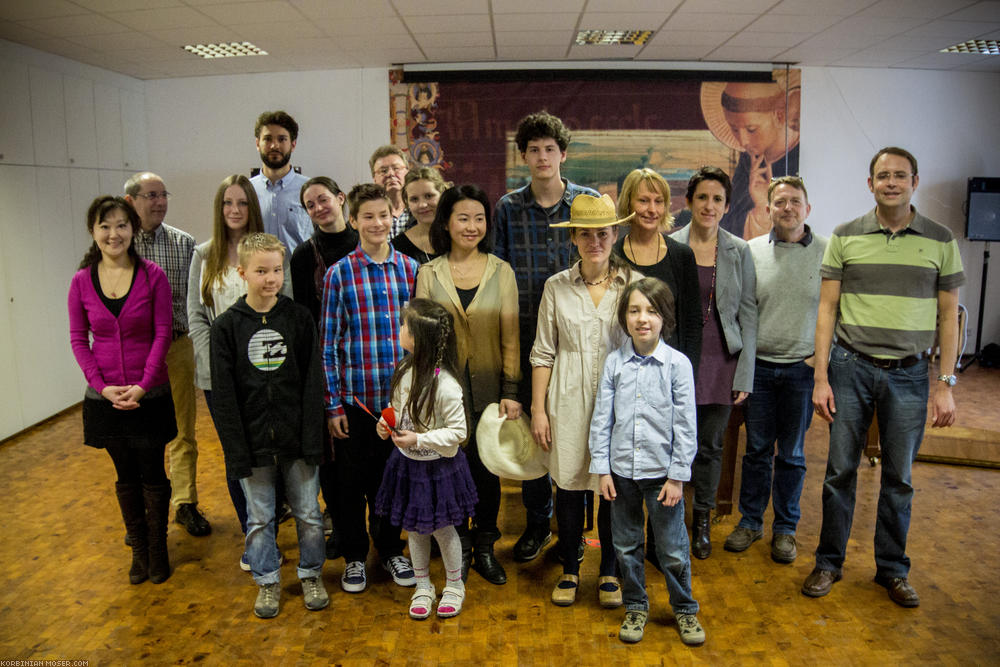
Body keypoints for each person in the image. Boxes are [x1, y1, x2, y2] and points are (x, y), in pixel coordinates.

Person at [803, 147, 964, 608]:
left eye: (899, 175)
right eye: (882, 175)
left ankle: (892, 570)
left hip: (911, 375)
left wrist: (945, 383)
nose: (890, 182)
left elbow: (949, 318)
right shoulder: (846, 235)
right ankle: (828, 562)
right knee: (839, 473)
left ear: (915, 180)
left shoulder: (940, 239)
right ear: (869, 183)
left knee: (900, 478)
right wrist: (820, 377)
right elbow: (827, 309)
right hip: (850, 368)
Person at [493, 110, 599, 563]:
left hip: (579, 340)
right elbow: (498, 273)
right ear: (523, 157)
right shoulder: (507, 208)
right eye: (533, 149)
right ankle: (539, 522)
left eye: (549, 149)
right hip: (525, 336)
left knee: (582, 426)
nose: (541, 156)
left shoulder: (587, 201)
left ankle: (577, 526)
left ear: (563, 154)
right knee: (536, 433)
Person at [209, 233, 328, 619]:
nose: (270, 278)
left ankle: (311, 573)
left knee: (309, 515)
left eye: (276, 270)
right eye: (261, 271)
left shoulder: (298, 319)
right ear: (242, 272)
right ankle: (267, 582)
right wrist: (236, 451)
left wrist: (314, 439)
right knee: (259, 519)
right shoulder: (226, 328)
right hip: (254, 444)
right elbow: (225, 398)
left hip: (297, 441)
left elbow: (313, 384)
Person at [530, 193, 634, 608]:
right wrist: (539, 409)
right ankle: (570, 569)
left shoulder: (634, 285)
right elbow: (542, 353)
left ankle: (609, 569)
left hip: (620, 401)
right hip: (568, 398)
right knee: (570, 485)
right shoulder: (556, 287)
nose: (595, 241)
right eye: (586, 233)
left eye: (603, 233)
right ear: (573, 237)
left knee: (611, 487)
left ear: (615, 235)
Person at [589, 277, 704, 646]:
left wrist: (677, 476)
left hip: (662, 476)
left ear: (664, 317)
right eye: (635, 310)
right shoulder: (614, 364)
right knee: (625, 546)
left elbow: (686, 425)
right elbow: (602, 418)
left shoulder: (677, 365)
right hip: (621, 474)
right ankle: (636, 605)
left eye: (652, 311)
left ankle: (685, 609)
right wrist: (602, 468)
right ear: (624, 317)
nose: (643, 319)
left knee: (671, 549)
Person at [68, 196, 177, 585]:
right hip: (105, 397)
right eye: (105, 226)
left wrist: (144, 385)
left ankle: (159, 548)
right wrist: (103, 386)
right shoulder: (82, 281)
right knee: (124, 474)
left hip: (150, 394)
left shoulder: (153, 276)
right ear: (93, 232)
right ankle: (140, 551)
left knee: (152, 472)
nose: (114, 234)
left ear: (133, 230)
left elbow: (164, 333)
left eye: (121, 225)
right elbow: (79, 339)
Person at [416, 184, 520, 585]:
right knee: (451, 471)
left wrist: (511, 392)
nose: (472, 226)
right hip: (444, 394)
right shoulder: (429, 273)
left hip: (491, 391)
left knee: (486, 471)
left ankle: (485, 547)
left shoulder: (501, 271)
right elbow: (423, 342)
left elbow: (511, 338)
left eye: (479, 218)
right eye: (463, 218)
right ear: (446, 222)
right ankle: (457, 542)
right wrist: (426, 393)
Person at [187, 175, 291, 569]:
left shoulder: (270, 253)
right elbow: (195, 316)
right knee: (239, 455)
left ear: (253, 207)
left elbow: (288, 307)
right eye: (228, 203)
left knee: (274, 453)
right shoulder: (204, 254)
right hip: (223, 378)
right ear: (220, 208)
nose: (235, 210)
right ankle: (256, 540)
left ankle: (272, 532)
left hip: (269, 374)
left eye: (243, 203)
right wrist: (213, 363)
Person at [321, 183, 419, 593]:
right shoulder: (339, 274)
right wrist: (333, 405)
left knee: (393, 481)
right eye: (368, 217)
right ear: (354, 220)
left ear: (392, 218)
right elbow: (329, 343)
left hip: (398, 403)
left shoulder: (411, 271)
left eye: (384, 216)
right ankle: (355, 557)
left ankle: (391, 548)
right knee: (350, 486)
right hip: (356, 402)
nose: (377, 224)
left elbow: (421, 340)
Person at [724, 176, 827, 563]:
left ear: (807, 208)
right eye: (780, 202)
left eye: (795, 201)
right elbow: (739, 312)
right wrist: (743, 370)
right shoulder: (750, 252)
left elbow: (836, 311)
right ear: (768, 209)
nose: (787, 208)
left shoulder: (827, 252)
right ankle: (750, 522)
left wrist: (820, 361)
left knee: (793, 455)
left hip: (802, 371)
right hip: (761, 370)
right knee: (757, 452)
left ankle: (785, 529)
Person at [671, 166, 757, 559]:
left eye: (717, 199)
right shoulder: (669, 246)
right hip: (675, 363)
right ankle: (667, 521)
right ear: (689, 202)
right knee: (671, 445)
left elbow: (749, 314)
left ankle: (701, 520)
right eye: (702, 197)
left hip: (722, 363)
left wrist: (746, 372)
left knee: (709, 447)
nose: (709, 205)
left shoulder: (739, 251)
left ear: (726, 206)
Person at [374, 299, 478, 619]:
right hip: (408, 465)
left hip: (440, 469)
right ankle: (423, 585)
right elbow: (398, 410)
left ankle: (454, 585)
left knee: (444, 530)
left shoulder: (445, 384)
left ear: (418, 337)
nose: (400, 329)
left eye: (405, 326)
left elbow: (458, 432)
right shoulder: (404, 369)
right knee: (415, 529)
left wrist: (419, 438)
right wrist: (386, 424)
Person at [125, 172, 210, 538]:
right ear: (130, 201)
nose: (159, 202)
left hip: (176, 346)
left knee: (181, 427)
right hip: (133, 352)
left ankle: (184, 503)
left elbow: (194, 300)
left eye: (163, 195)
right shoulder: (118, 244)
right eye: (150, 195)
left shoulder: (183, 243)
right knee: (135, 432)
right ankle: (144, 509)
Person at [291, 175, 359, 559]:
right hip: (326, 363)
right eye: (310, 205)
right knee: (333, 456)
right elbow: (304, 316)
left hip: (367, 359)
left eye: (323, 199)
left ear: (340, 197)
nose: (319, 208)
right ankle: (341, 526)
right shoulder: (303, 256)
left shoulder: (363, 242)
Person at [614, 168, 701, 372]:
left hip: (670, 371)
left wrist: (687, 377)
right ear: (628, 203)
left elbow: (692, 326)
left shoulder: (682, 256)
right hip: (625, 372)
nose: (652, 209)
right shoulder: (613, 257)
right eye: (643, 201)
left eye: (659, 201)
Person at [700, 76, 800, 239]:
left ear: (779, 116)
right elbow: (729, 226)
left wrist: (762, 208)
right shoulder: (750, 161)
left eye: (751, 129)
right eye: (735, 129)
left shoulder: (797, 160)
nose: (743, 141)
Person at [251, 110, 313, 251]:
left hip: (299, 273)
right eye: (267, 139)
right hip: (255, 272)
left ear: (293, 144)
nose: (274, 146)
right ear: (257, 143)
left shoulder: (309, 190)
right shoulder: (246, 191)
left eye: (282, 139)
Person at [392, 167, 449, 264]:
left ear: (442, 194)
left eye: (429, 196)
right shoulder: (397, 247)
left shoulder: (460, 237)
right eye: (414, 199)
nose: (422, 205)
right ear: (407, 202)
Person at [369, 145, 411, 239]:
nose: (391, 174)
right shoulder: (367, 213)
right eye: (383, 171)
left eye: (396, 168)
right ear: (374, 178)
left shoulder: (419, 209)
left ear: (407, 172)